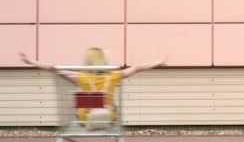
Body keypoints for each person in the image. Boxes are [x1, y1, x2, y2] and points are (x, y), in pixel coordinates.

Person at [19, 48, 165, 125]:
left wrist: (31, 61)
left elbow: (53, 68)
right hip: (108, 117)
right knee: (111, 106)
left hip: (86, 118)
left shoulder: (81, 77)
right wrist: (158, 63)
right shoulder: (113, 75)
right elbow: (137, 67)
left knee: (81, 107)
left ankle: (88, 114)